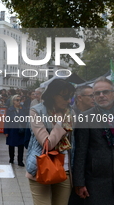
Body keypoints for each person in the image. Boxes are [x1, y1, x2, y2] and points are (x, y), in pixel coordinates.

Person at [26, 79, 75, 205]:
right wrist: (60, 123)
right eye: (65, 97)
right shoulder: (37, 111)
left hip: (64, 169)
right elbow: (47, 143)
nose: (68, 101)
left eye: (70, 97)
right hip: (41, 167)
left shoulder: (71, 112)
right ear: (53, 95)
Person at [72, 77, 114, 205]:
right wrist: (79, 182)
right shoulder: (85, 118)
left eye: (105, 92)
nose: (101, 95)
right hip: (97, 179)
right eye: (97, 93)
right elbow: (80, 152)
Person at [68, 85, 95, 205]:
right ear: (80, 97)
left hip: (91, 172)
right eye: (91, 95)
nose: (95, 98)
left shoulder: (96, 115)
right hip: (71, 171)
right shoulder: (70, 114)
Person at [4, 94, 26, 166]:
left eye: (20, 100)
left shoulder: (23, 109)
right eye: (17, 100)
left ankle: (20, 160)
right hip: (12, 130)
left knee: (21, 146)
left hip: (21, 130)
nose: (19, 102)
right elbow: (7, 121)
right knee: (11, 145)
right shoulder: (10, 110)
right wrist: (6, 131)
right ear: (13, 101)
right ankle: (11, 159)